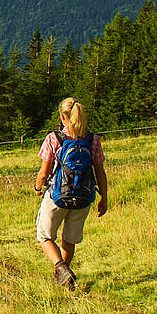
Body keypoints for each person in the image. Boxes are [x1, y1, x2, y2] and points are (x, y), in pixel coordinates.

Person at [31, 97, 108, 290]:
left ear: (63, 116)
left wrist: (38, 187)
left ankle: (61, 268)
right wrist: (104, 197)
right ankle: (66, 281)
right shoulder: (92, 140)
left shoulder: (54, 138)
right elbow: (100, 172)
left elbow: (44, 172)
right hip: (83, 197)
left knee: (44, 235)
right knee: (70, 239)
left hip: (58, 196)